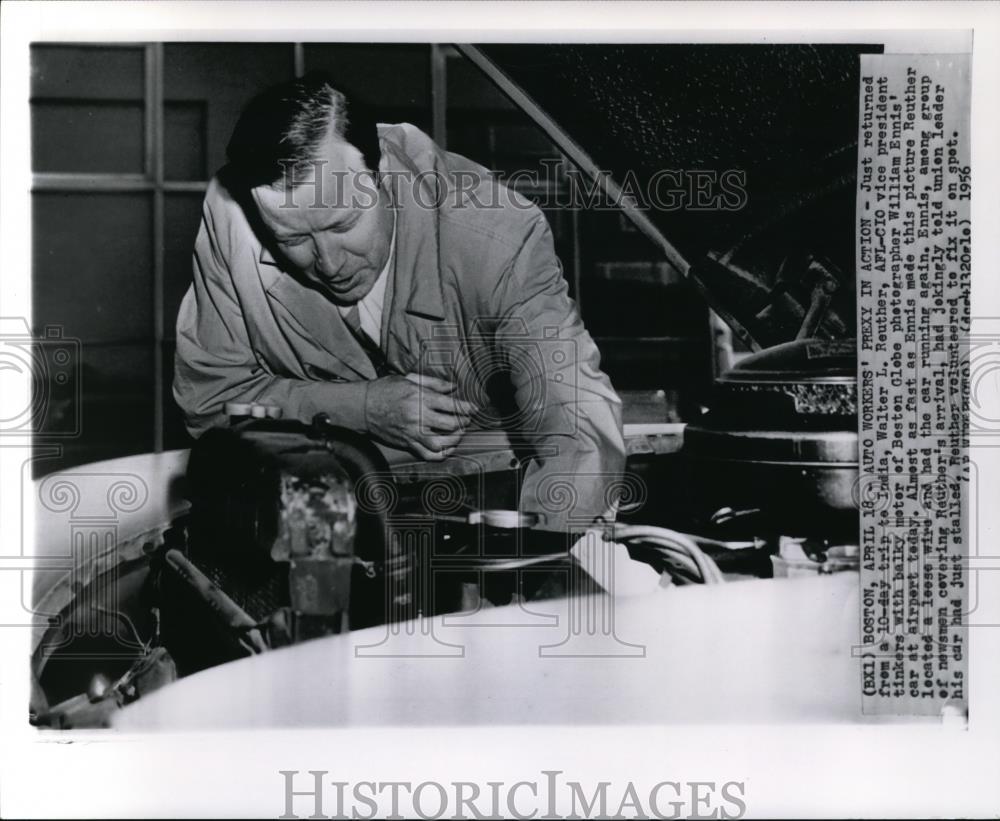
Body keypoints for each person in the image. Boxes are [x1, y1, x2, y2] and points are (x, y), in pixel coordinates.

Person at [173, 71, 625, 532]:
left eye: (343, 225)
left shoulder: (495, 234)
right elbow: (211, 401)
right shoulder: (234, 218)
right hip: (317, 510)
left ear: (384, 173)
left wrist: (551, 565)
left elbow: (575, 419)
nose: (328, 263)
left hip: (484, 498)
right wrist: (365, 407)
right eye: (293, 238)